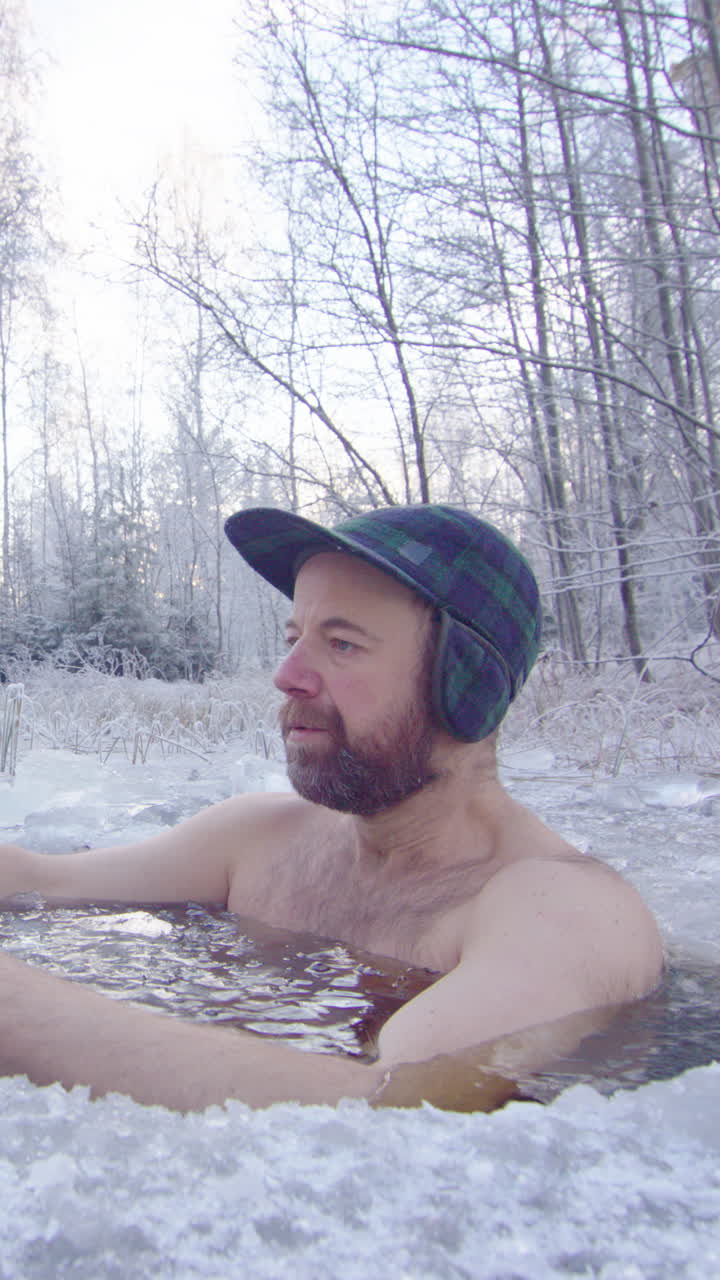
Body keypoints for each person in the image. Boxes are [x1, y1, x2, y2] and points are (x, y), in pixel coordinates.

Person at [0, 504, 663, 1112]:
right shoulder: (254, 839)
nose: (286, 675)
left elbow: (398, 1103)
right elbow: (39, 879)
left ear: (468, 688)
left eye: (342, 644)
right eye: (294, 637)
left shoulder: (569, 911)